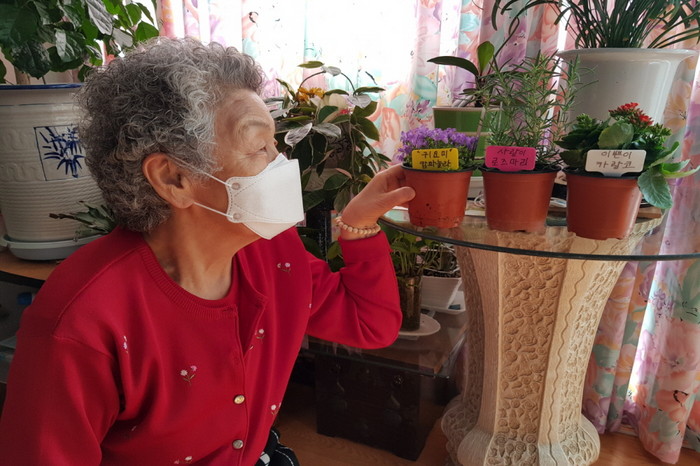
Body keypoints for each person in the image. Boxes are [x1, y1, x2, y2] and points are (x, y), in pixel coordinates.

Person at [0, 38, 414, 465]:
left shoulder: (273, 252)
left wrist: (360, 224)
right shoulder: (80, 322)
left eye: (275, 145)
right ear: (173, 178)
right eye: (259, 147)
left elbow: (370, 324)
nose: (281, 164)